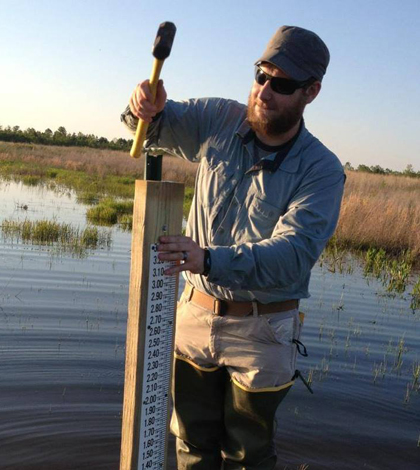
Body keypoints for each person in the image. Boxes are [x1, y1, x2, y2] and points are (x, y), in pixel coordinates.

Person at [121, 25, 345, 470]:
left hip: (262, 332)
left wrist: (208, 259)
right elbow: (153, 128)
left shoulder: (322, 169)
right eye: (261, 75)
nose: (264, 91)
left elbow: (294, 254)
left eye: (282, 85)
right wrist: (143, 109)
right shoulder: (219, 118)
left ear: (311, 92)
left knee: (249, 454)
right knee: (191, 445)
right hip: (193, 315)